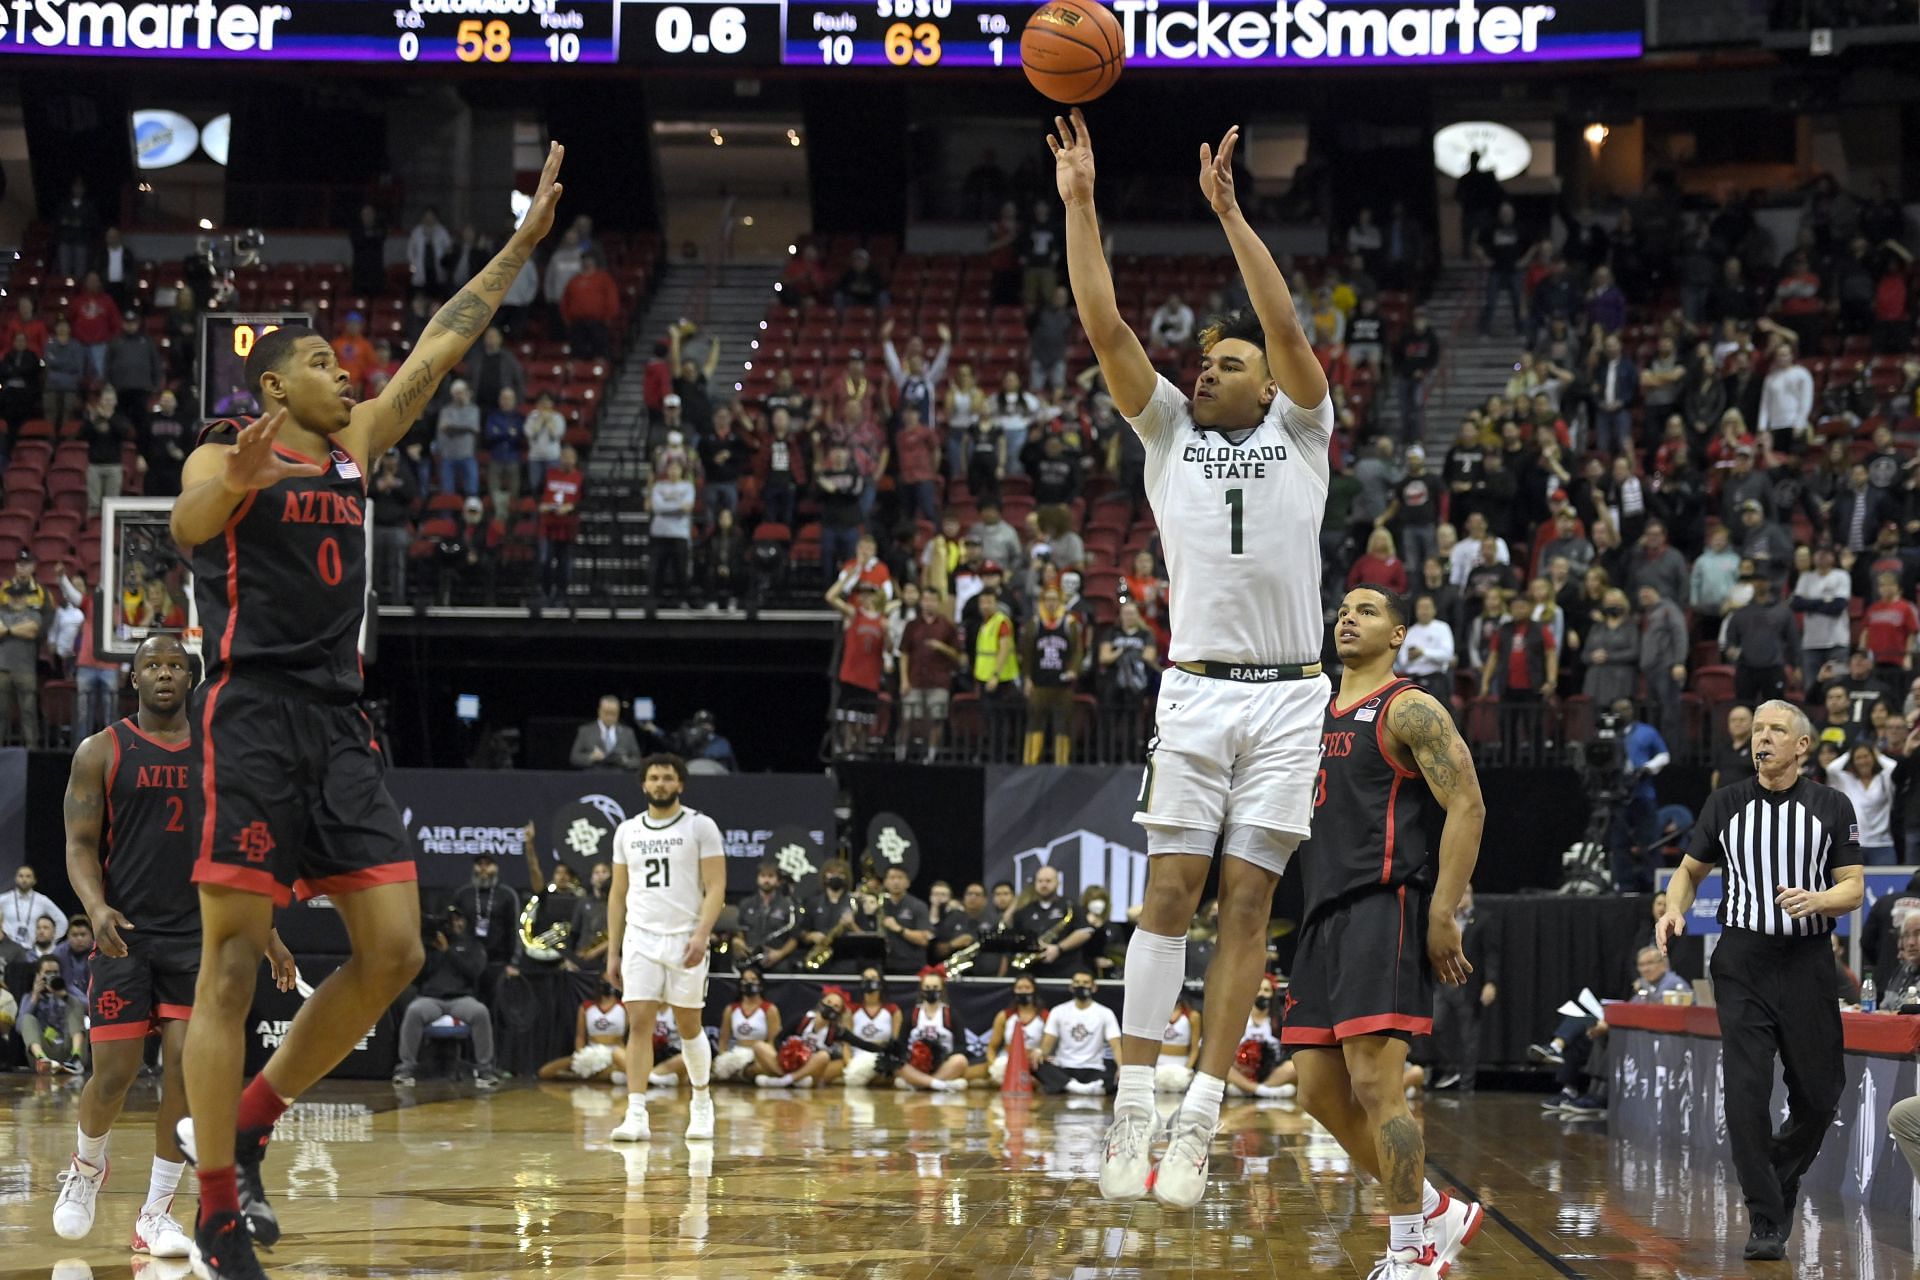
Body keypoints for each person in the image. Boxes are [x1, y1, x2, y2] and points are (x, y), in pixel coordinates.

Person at [163, 144, 566, 1280]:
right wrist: (235, 481)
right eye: (327, 367)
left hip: (340, 719)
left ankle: (249, 1110)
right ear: (274, 386)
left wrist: (523, 245)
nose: (349, 378)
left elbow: (447, 336)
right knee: (231, 968)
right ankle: (215, 1206)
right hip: (249, 714)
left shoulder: (355, 445)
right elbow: (189, 525)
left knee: (394, 948)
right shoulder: (222, 451)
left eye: (347, 369)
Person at [1051, 114, 1333, 1208]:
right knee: (1169, 888)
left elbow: (1286, 327)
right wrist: (1081, 204)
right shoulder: (1166, 432)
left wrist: (1229, 214)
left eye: (1226, 361)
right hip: (1197, 688)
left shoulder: (1300, 427)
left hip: (1289, 697)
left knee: (1250, 911)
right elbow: (1103, 320)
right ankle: (1134, 1105)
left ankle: (1203, 1115)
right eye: (1203, 360)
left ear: (1266, 385)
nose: (1204, 368)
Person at [54, 637, 294, 1258]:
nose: (165, 674)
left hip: (198, 937)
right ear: (133, 677)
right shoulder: (100, 750)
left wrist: (267, 933)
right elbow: (80, 844)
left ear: (192, 680)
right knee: (113, 1076)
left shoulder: (218, 755)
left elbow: (238, 851)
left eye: (176, 666)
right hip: (124, 935)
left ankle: (155, 1213)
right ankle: (86, 1170)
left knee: (185, 1077)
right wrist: (94, 905)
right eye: (153, 665)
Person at [1282, 586, 1487, 1277]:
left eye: (1367, 610)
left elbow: (1467, 803)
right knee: (1314, 1089)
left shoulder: (1409, 706)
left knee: (1376, 1082)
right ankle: (1433, 1208)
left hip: (1383, 904)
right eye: (1343, 608)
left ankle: (1412, 1248)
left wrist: (1442, 912)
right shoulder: (1312, 710)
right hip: (1320, 914)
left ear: (1399, 633)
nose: (1348, 617)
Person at [1657, 699, 1865, 1262]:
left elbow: (1854, 887)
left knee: (1821, 1094)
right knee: (1745, 1091)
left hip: (1807, 960)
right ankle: (1766, 1218)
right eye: (1756, 730)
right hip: (1742, 960)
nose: (1761, 737)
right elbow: (1689, 871)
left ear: (1802, 746)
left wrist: (1818, 899)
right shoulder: (1725, 803)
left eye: (1776, 729)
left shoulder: (1831, 804)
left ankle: (1777, 1171)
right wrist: (1674, 908)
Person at [606, 754, 726, 1144]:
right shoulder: (626, 831)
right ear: (643, 784)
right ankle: (636, 1112)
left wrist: (702, 934)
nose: (660, 784)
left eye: (668, 778)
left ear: (680, 785)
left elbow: (717, 888)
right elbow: (617, 893)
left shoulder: (700, 825)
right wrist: (613, 950)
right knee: (639, 1024)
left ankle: (702, 1102)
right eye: (654, 777)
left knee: (689, 1025)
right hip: (640, 937)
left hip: (684, 937)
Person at [391, 903, 498, 1089]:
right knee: (414, 1011)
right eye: (451, 920)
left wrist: (448, 951)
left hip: (460, 999)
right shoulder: (430, 946)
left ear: (465, 922)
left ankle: (484, 1069)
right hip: (431, 999)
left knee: (480, 1012)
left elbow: (473, 972)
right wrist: (426, 951)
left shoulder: (473, 946)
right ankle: (406, 1068)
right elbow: (418, 978)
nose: (455, 924)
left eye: (459, 919)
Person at [1609, 699, 1672, 895]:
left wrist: (1647, 768)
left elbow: (1664, 755)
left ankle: (1654, 886)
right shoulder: (1609, 735)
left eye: (1626, 708)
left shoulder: (1647, 732)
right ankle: (1625, 885)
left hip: (1643, 793)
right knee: (1619, 843)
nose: (1623, 712)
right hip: (1617, 795)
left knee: (1649, 842)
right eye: (1618, 709)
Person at [1021, 583, 1082, 766]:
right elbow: (1027, 654)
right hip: (1039, 682)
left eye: (1054, 599)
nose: (1051, 603)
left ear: (1060, 601)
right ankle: (1029, 763)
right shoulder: (1034, 623)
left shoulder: (1069, 623)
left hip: (1062, 684)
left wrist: (1073, 670)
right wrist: (1027, 678)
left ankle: (1061, 764)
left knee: (1063, 724)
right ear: (1042, 601)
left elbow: (1077, 651)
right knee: (1034, 721)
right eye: (1047, 599)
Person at [1034, 968, 1121, 1095]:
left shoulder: (1105, 1013)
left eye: (1085, 982)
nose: (1081, 986)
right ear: (1071, 986)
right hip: (1064, 1067)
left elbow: (1115, 1045)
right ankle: (1082, 1088)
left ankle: (1067, 1086)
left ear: (1094, 987)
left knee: (1116, 1076)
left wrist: (1121, 1067)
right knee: (1039, 1066)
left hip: (1093, 1068)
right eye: (1077, 982)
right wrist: (1039, 1052)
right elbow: (1047, 1043)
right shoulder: (1058, 1011)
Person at [537, 980, 629, 1082]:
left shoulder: (624, 1006)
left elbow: (633, 1034)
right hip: (591, 1053)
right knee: (545, 1072)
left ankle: (603, 1076)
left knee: (620, 1060)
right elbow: (580, 1036)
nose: (607, 985)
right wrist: (581, 1055)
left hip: (617, 1052)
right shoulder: (586, 1007)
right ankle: (606, 1076)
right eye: (604, 981)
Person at [1825, 743, 1900, 866]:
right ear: (1852, 761)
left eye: (1866, 756)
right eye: (1858, 758)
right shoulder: (1846, 780)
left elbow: (1893, 766)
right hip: (1854, 845)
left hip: (1882, 844)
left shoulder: (1882, 778)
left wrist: (1877, 754)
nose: (1862, 761)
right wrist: (1850, 751)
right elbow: (1831, 769)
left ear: (1873, 758)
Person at [710, 964, 783, 1083]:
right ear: (740, 984)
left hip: (758, 1054)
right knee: (717, 1068)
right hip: (738, 1052)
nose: (749, 983)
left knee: (757, 1068)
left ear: (760, 984)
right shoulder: (731, 1009)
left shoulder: (769, 1009)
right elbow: (723, 1040)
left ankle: (757, 1074)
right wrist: (722, 1057)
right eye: (745, 980)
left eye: (753, 980)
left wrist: (763, 1056)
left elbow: (773, 1041)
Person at [973, 973, 1048, 1086]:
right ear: (1014, 991)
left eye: (1027, 988)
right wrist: (993, 1065)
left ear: (1034, 990)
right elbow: (992, 1047)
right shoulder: (1004, 1016)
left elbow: (1049, 1046)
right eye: (1019, 988)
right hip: (1008, 1061)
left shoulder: (1045, 1016)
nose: (1023, 991)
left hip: (1035, 1063)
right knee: (980, 1076)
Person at [732, 860, 801, 972]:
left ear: (778, 881)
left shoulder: (789, 906)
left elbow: (794, 937)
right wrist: (737, 941)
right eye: (763, 876)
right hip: (750, 958)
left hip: (777, 960)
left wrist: (780, 954)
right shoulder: (746, 904)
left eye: (770, 876)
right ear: (757, 879)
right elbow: (739, 928)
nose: (766, 880)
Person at [3, 864, 66, 951]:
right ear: (15, 879)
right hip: (7, 949)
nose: (24, 880)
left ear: (34, 880)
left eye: (28, 876)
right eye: (21, 876)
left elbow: (62, 921)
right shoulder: (3, 899)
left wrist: (49, 940)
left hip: (33, 949)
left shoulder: (42, 900)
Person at [571, 696, 642, 771]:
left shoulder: (628, 733)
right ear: (599, 711)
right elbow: (574, 757)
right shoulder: (585, 731)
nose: (609, 717)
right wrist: (591, 757)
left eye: (613, 713)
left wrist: (625, 761)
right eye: (606, 713)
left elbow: (638, 760)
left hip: (620, 778)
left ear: (618, 713)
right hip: (592, 777)